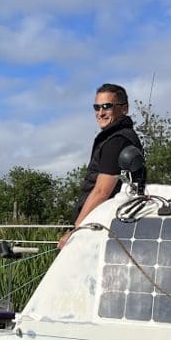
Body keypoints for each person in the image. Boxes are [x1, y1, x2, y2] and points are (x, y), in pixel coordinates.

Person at [59, 83, 144, 248]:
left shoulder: (116, 141)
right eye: (96, 107)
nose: (100, 113)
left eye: (107, 106)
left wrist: (76, 230)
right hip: (116, 227)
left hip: (103, 229)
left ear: (124, 109)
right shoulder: (119, 137)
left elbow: (101, 191)